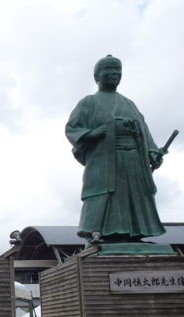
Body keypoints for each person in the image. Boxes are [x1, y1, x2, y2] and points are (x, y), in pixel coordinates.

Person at [65, 55, 167, 243]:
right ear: (97, 76)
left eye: (118, 71)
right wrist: (92, 133)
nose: (114, 74)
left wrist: (153, 152)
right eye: (109, 70)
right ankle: (98, 234)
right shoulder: (88, 102)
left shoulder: (129, 104)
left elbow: (144, 131)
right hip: (104, 161)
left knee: (133, 196)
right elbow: (72, 128)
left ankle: (133, 235)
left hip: (133, 160)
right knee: (104, 195)